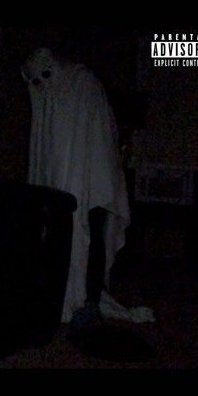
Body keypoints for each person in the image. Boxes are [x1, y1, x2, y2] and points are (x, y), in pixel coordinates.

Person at [21, 47, 132, 328]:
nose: (39, 83)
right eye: (34, 80)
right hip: (58, 178)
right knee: (57, 233)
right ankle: (56, 293)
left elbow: (99, 132)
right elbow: (45, 144)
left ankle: (89, 300)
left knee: (89, 230)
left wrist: (90, 177)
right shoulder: (42, 91)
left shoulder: (83, 82)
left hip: (90, 175)